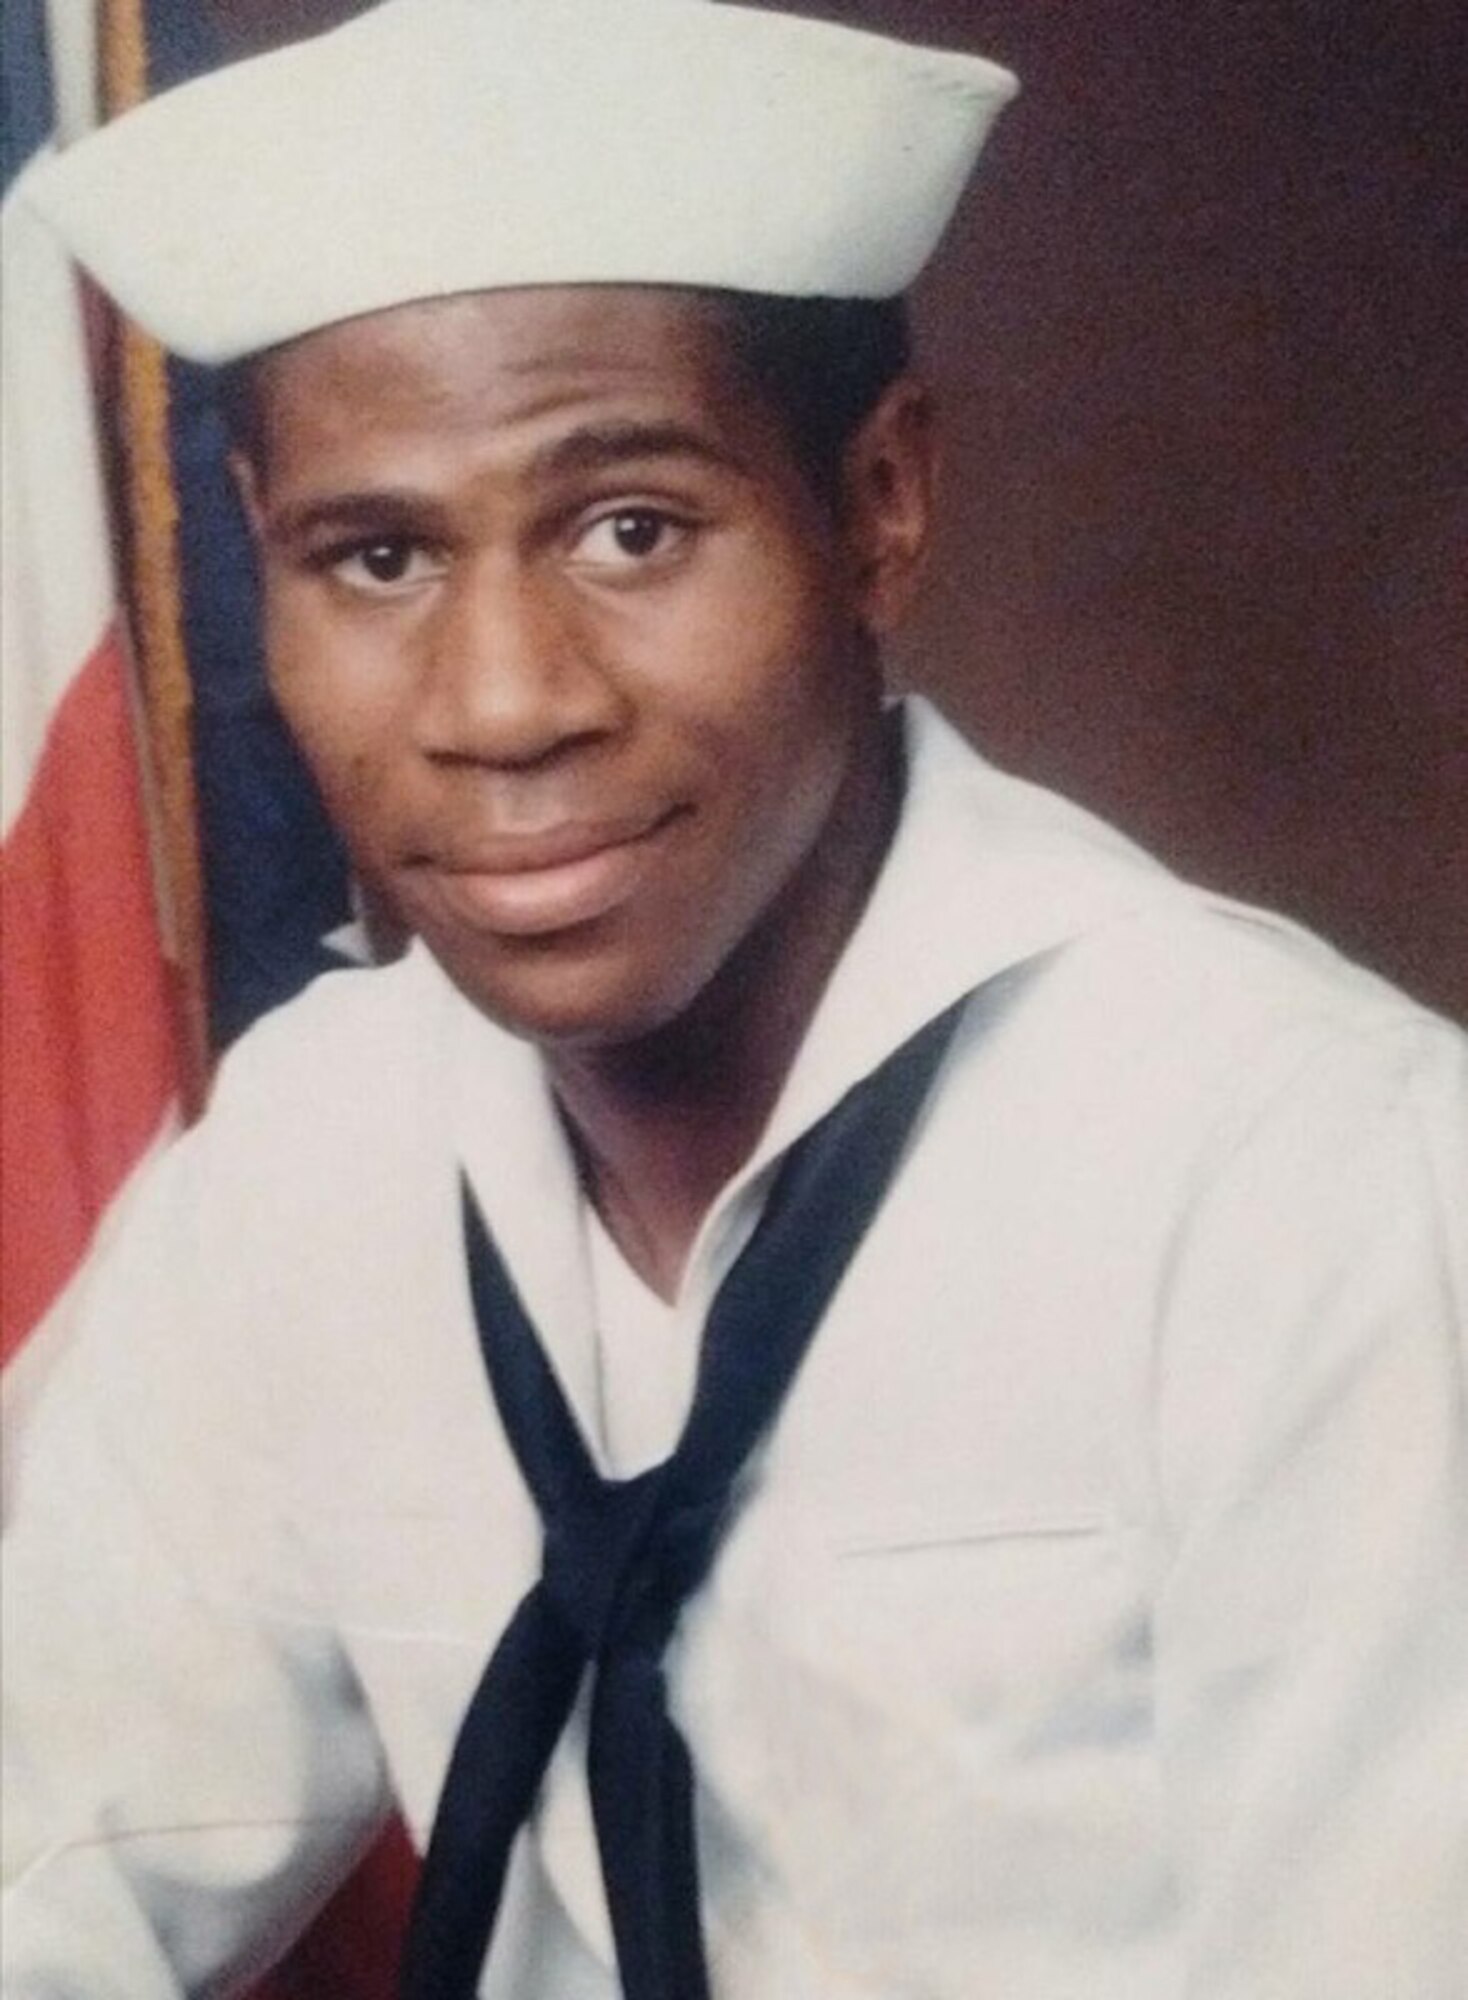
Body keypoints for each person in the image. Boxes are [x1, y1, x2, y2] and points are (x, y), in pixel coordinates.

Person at [5, 1, 1467, 1994]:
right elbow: (41, 1857)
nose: (504, 702)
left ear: (875, 504)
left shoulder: (1302, 1183)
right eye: (373, 559)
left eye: (630, 529)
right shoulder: (312, 1158)